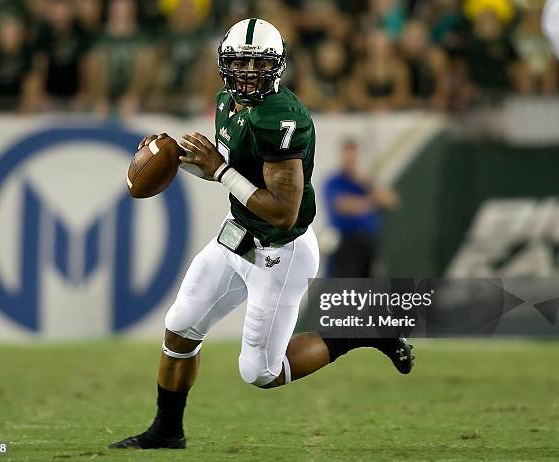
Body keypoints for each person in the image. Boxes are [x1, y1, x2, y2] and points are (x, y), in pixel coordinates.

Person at [110, 18, 414, 451]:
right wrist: (176, 158)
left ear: (278, 65)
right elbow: (227, 170)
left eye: (259, 62)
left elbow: (284, 212)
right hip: (235, 236)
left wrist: (219, 170)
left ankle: (361, 332)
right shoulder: (225, 102)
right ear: (224, 63)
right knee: (179, 329)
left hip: (280, 251)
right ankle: (167, 431)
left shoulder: (282, 118)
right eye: (240, 62)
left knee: (261, 373)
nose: (249, 71)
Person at [324, 140, 399, 278]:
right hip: (345, 243)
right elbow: (343, 206)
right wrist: (372, 202)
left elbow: (391, 202)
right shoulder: (333, 181)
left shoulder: (365, 182)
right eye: (348, 156)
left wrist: (366, 182)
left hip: (368, 242)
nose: (351, 160)